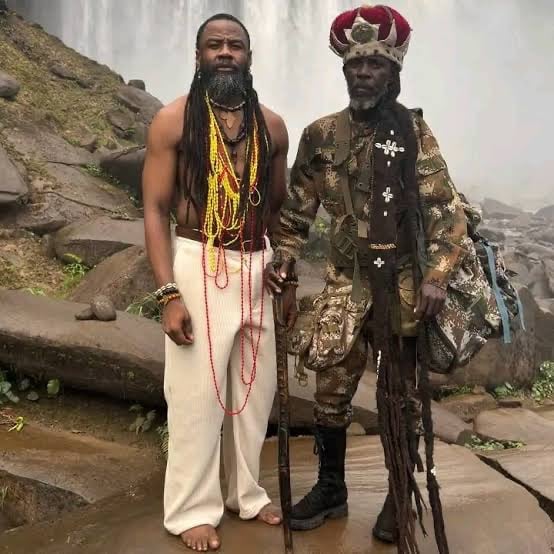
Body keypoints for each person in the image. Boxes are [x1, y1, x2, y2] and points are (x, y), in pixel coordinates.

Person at [267, 5, 499, 551]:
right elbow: (296, 214)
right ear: (344, 70)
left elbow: (446, 213)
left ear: (393, 72)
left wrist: (437, 276)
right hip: (346, 285)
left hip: (403, 287)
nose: (364, 73)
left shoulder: (414, 133)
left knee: (401, 397)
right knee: (330, 390)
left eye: (375, 65)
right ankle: (331, 489)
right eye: (355, 65)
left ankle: (398, 494)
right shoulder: (321, 136)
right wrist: (286, 260)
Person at [143, 13, 289, 552]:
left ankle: (245, 493)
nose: (225, 53)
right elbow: (155, 210)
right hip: (199, 260)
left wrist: (284, 271)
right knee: (196, 397)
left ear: (249, 56)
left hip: (257, 265)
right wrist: (168, 293)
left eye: (235, 45)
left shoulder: (272, 126)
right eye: (214, 45)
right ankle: (191, 510)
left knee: (254, 393)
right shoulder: (173, 121)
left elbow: (277, 210)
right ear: (199, 55)